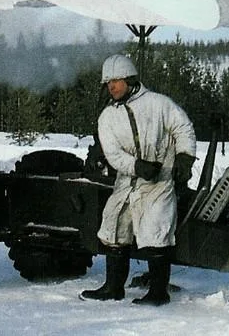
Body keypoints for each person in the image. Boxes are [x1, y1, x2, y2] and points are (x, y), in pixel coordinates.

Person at [80, 54, 197, 306]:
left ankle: (158, 293)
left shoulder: (159, 104)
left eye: (116, 81)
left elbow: (183, 128)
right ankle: (113, 288)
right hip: (127, 181)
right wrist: (136, 166)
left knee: (156, 231)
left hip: (159, 183)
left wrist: (184, 158)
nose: (111, 87)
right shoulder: (108, 117)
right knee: (114, 226)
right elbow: (112, 153)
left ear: (130, 80)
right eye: (108, 82)